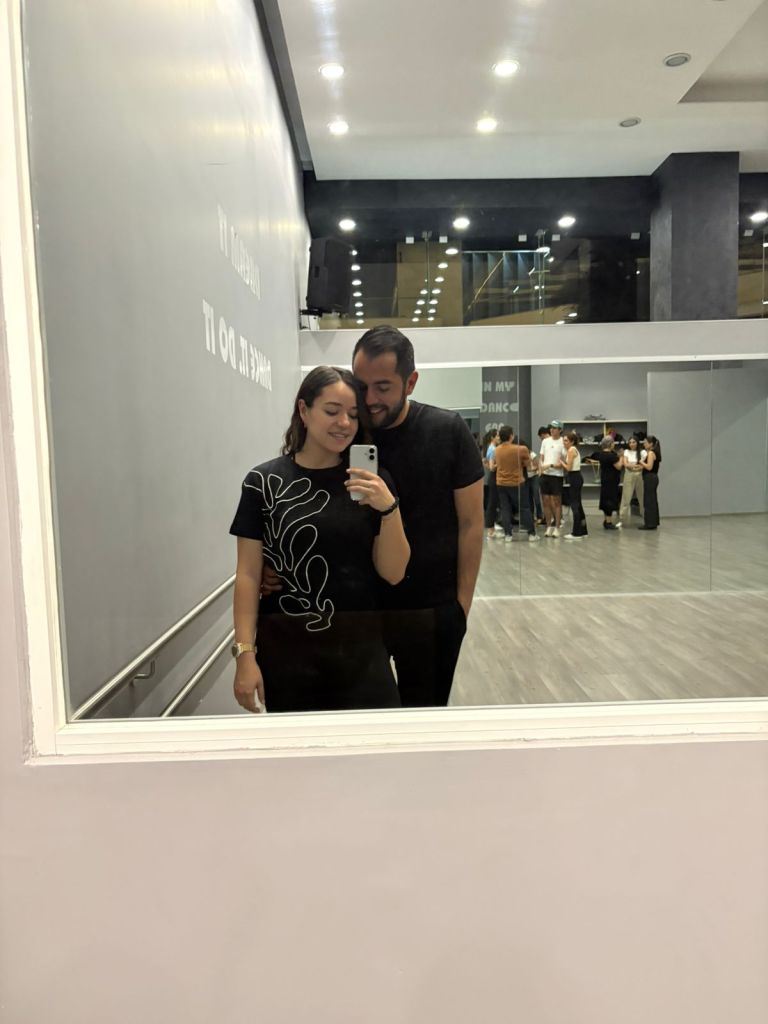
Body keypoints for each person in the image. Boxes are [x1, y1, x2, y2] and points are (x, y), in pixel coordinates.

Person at [229, 366, 410, 714]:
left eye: (353, 415)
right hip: (287, 653)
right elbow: (248, 575)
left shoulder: (372, 482)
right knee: (298, 749)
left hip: (363, 654)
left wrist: (389, 508)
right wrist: (244, 655)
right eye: (332, 411)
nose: (344, 423)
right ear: (304, 410)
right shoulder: (263, 483)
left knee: (374, 746)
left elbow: (393, 572)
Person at [350, 326, 485, 706]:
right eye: (361, 386)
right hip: (359, 610)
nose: (369, 399)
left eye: (382, 387)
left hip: (433, 610)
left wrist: (461, 607)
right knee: (363, 724)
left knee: (423, 721)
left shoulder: (448, 431)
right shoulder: (346, 434)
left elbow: (472, 524)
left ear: (410, 382)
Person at [490, 426, 540, 543]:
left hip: (501, 483)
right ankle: (531, 534)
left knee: (505, 508)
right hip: (517, 483)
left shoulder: (497, 450)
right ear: (511, 436)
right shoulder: (521, 449)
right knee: (524, 508)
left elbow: (496, 465)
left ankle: (508, 534)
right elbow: (528, 466)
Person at [539, 419, 566, 537]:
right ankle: (548, 526)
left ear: (560, 430)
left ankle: (557, 527)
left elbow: (564, 462)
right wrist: (540, 468)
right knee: (545, 501)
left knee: (556, 501)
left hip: (557, 475)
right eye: (551, 428)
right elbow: (541, 457)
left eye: (554, 428)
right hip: (545, 475)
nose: (552, 430)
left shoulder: (563, 442)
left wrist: (550, 465)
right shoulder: (545, 441)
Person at [559, 431, 587, 540]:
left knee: (575, 505)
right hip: (576, 477)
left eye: (566, 441)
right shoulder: (573, 449)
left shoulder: (571, 450)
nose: (564, 442)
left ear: (572, 441)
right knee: (578, 505)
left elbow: (569, 468)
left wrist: (561, 462)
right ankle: (583, 530)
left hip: (575, 477)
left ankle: (577, 532)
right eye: (563, 440)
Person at [591, 435, 623, 529]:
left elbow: (592, 456)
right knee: (610, 501)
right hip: (612, 481)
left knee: (605, 500)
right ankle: (609, 522)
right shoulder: (611, 456)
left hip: (604, 480)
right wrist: (621, 457)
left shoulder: (600, 454)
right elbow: (619, 466)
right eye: (613, 443)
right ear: (610, 444)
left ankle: (606, 520)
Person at [619, 435, 644, 525]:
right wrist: (635, 466)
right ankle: (622, 518)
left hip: (640, 475)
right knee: (626, 497)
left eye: (634, 442)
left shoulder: (642, 452)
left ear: (637, 443)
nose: (632, 444)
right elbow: (625, 464)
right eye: (630, 442)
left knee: (642, 496)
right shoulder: (626, 451)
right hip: (628, 475)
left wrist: (632, 465)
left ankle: (645, 516)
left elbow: (642, 466)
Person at [638, 435, 662, 530]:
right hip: (652, 477)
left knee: (649, 501)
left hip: (650, 478)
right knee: (652, 500)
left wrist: (641, 462)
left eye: (645, 442)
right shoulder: (653, 452)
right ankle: (653, 522)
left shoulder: (651, 453)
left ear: (651, 444)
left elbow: (649, 467)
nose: (644, 444)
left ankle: (649, 524)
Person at [482, 429, 500, 539]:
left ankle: (492, 527)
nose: (499, 438)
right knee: (492, 503)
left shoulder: (490, 448)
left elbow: (487, 464)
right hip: (494, 478)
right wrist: (502, 462)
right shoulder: (493, 449)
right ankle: (491, 529)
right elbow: (492, 467)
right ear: (492, 438)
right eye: (497, 436)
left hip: (493, 478)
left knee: (493, 503)